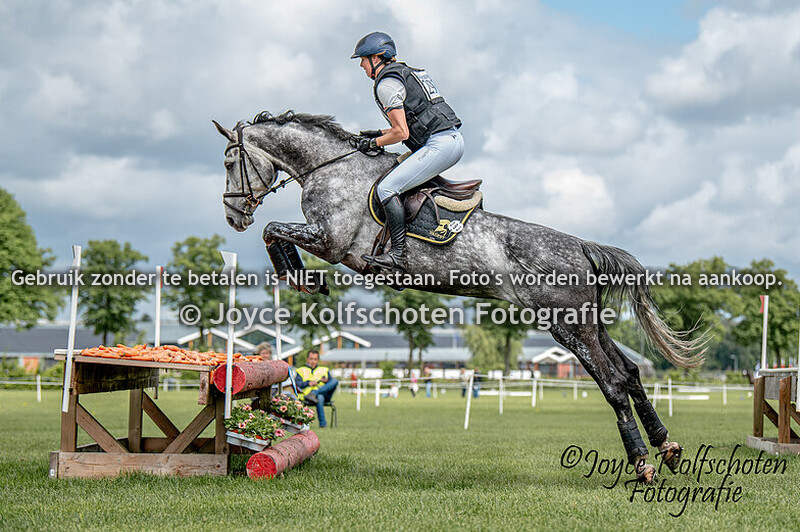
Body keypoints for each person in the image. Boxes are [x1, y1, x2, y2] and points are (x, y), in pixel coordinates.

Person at [350, 31, 463, 272]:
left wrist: (374, 143)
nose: (361, 65)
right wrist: (379, 133)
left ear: (377, 57)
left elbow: (401, 133)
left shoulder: (386, 84)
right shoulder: (406, 72)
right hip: (448, 139)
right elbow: (413, 120)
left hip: (439, 144)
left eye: (363, 59)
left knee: (386, 188)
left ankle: (398, 255)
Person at [295, 349, 338, 428]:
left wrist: (327, 381)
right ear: (307, 359)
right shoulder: (301, 370)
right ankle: (323, 424)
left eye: (315, 359)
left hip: (325, 395)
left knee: (334, 381)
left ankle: (314, 393)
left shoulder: (324, 370)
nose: (313, 361)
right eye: (311, 359)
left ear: (318, 360)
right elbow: (297, 384)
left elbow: (331, 384)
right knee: (320, 397)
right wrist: (308, 383)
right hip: (306, 397)